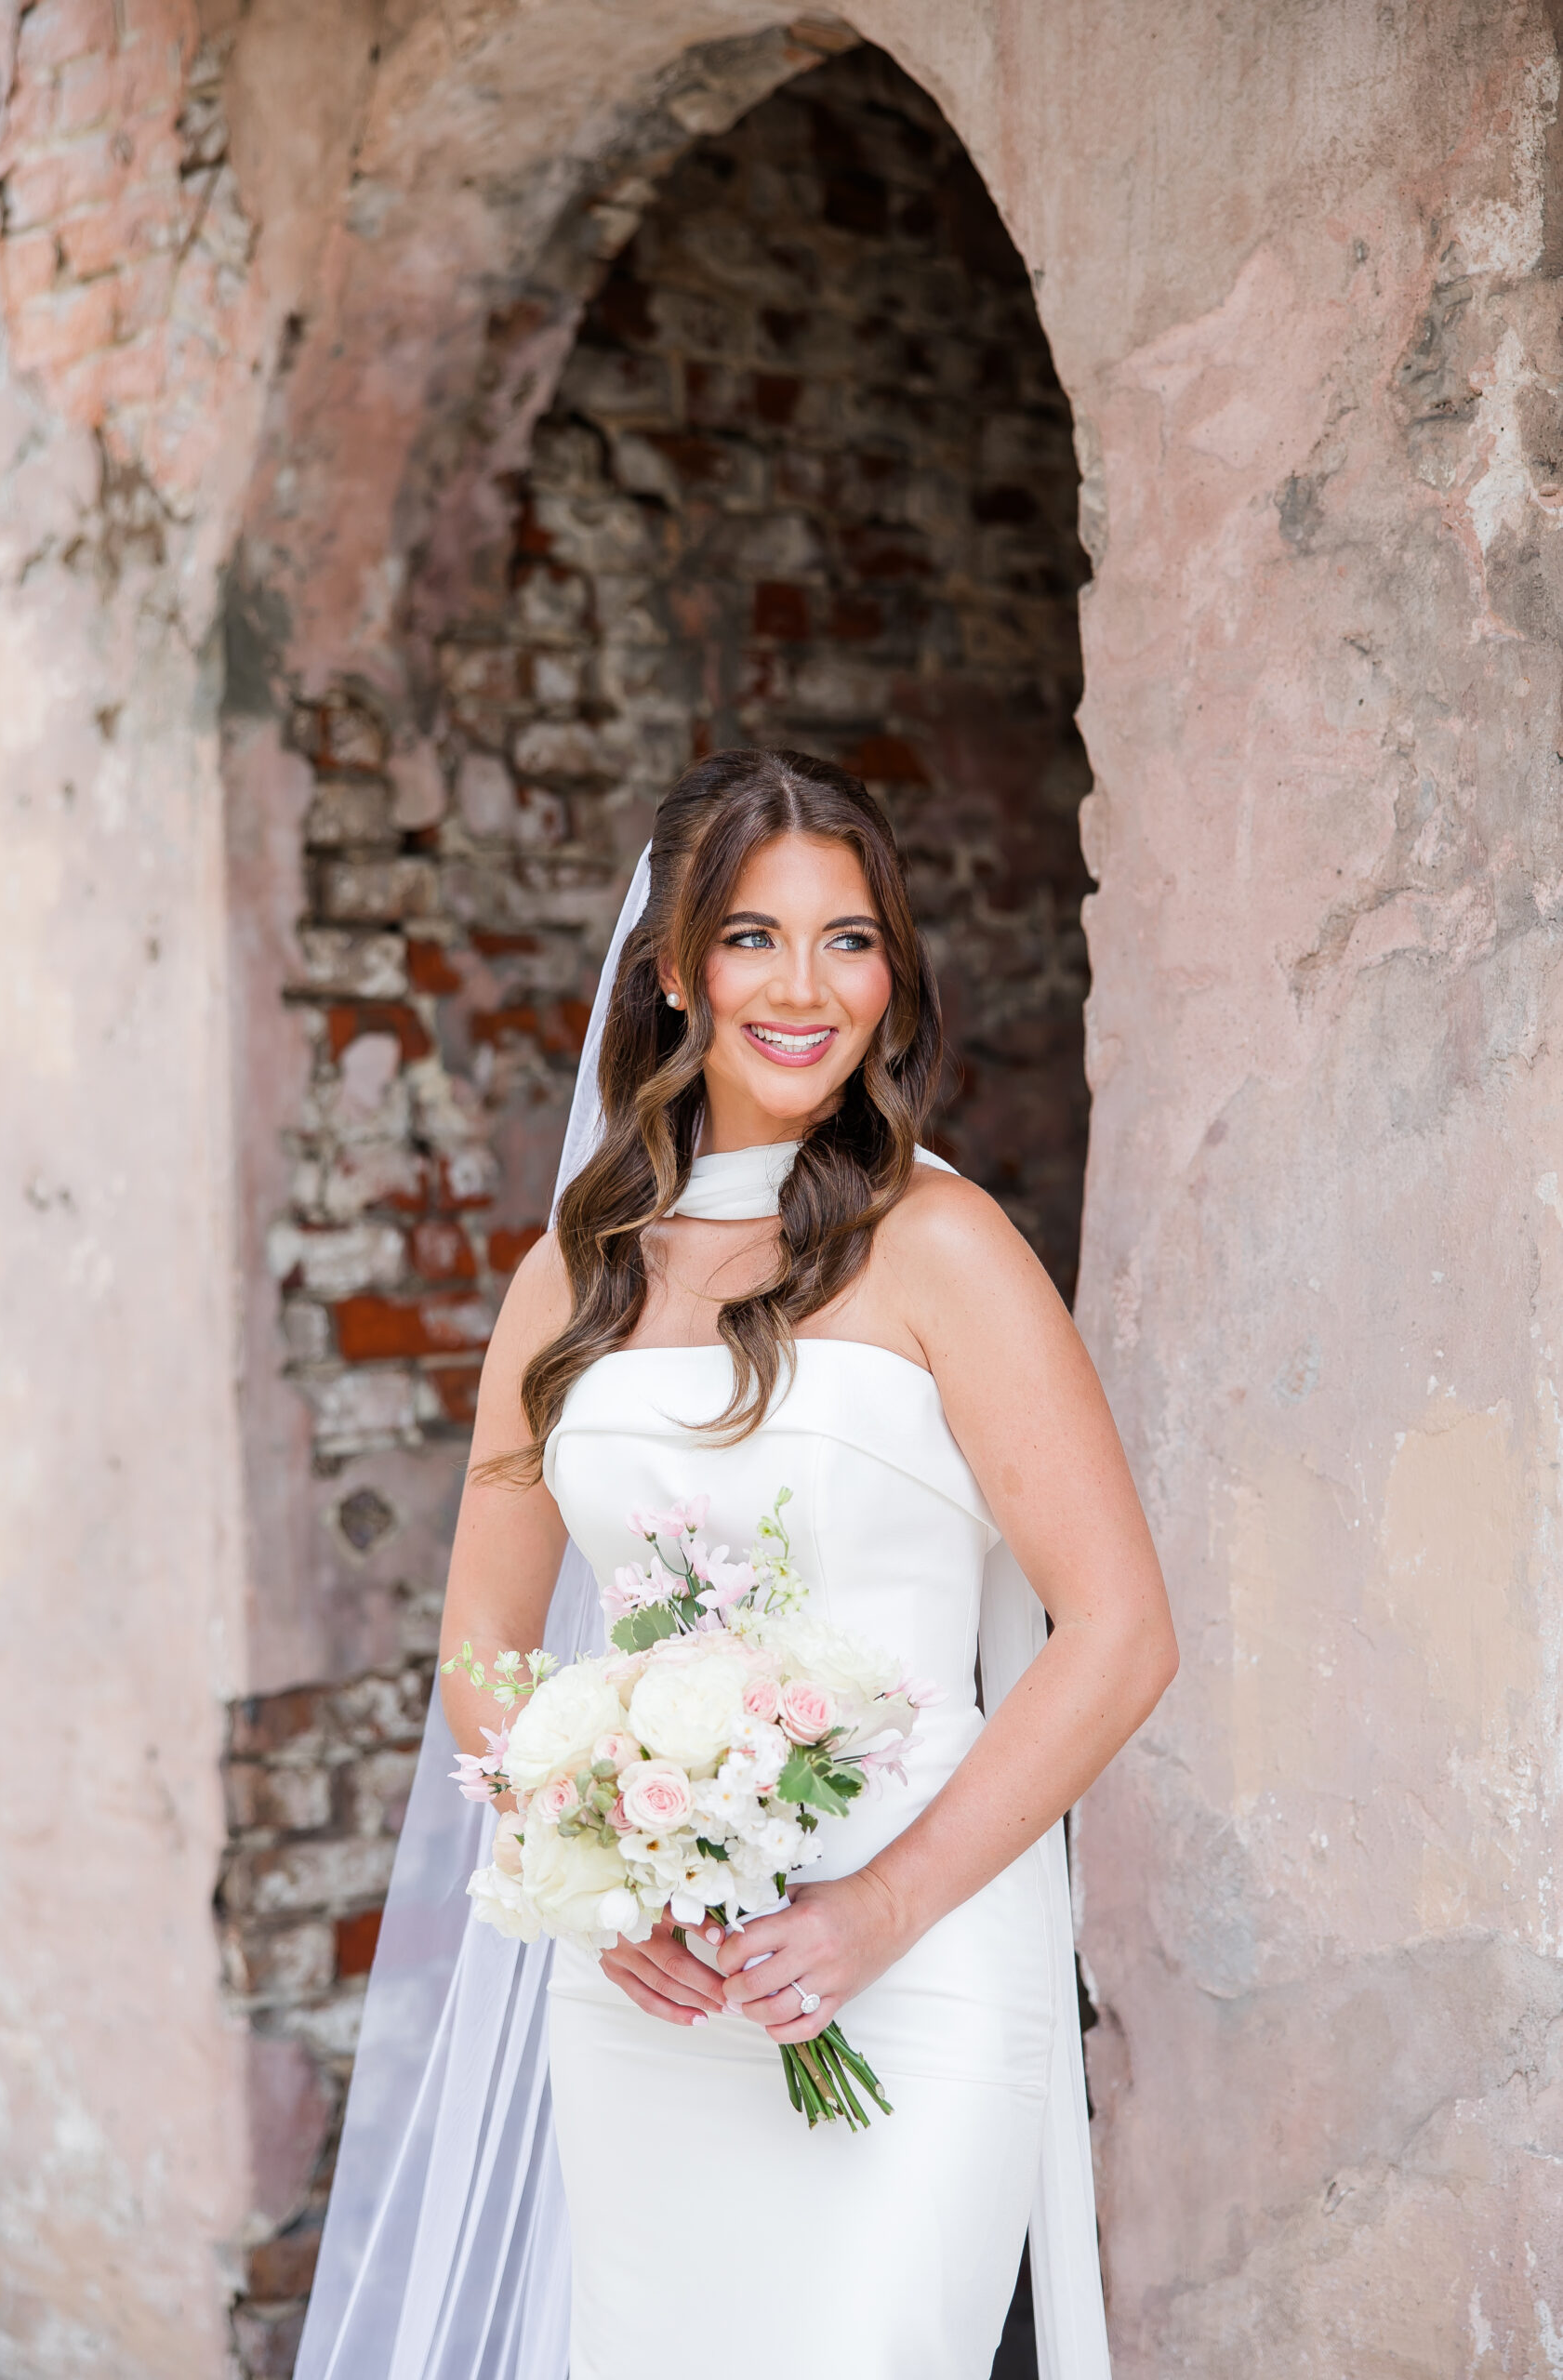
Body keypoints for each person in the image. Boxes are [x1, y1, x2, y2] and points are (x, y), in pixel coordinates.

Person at [297, 747, 1176, 2380]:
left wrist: (876, 1909)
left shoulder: (945, 1245)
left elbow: (1119, 1632)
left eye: (850, 939)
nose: (805, 985)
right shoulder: (574, 1274)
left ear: (894, 972)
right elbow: (485, 1644)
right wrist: (593, 1873)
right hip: (656, 2008)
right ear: (677, 970)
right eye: (755, 937)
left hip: (914, 1969)